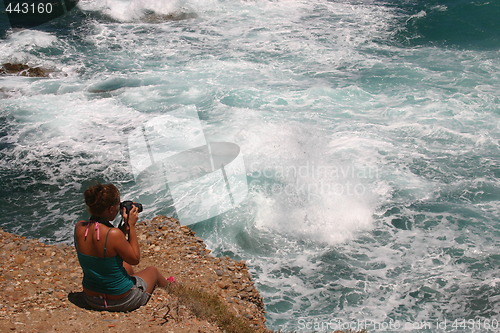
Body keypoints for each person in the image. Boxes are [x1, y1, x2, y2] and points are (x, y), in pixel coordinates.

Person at [74, 183, 173, 311]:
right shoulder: (113, 234)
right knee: (152, 271)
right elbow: (135, 259)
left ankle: (128, 280)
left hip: (92, 298)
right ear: (110, 209)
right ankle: (174, 290)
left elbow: (108, 242)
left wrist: (124, 226)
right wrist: (131, 226)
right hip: (121, 300)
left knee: (125, 266)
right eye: (117, 205)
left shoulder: (79, 227)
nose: (119, 208)